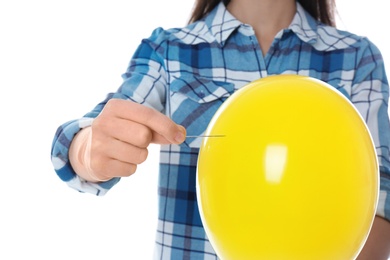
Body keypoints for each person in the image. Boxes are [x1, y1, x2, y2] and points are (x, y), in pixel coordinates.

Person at [51, 0, 390, 258]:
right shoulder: (169, 51)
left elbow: (381, 195)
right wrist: (88, 150)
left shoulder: (356, 58)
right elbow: (93, 132)